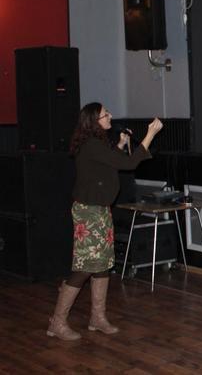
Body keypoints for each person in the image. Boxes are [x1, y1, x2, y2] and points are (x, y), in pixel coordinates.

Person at [47, 104, 163, 341]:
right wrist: (150, 134)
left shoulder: (97, 144)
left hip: (100, 211)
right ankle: (57, 322)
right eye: (105, 114)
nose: (110, 116)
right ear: (94, 121)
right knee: (84, 267)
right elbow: (129, 164)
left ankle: (97, 318)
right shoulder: (91, 144)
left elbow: (111, 163)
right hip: (88, 213)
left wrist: (120, 145)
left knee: (102, 265)